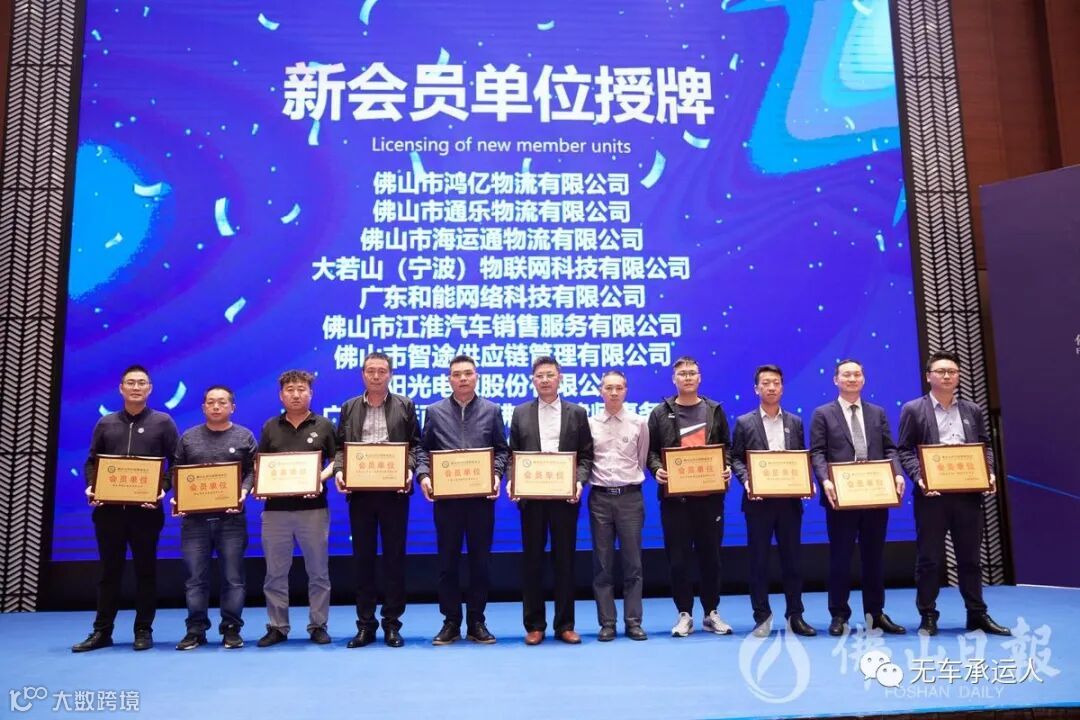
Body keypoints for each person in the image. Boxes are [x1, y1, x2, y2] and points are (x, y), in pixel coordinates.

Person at [897, 351, 1010, 636]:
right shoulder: (914, 409)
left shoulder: (972, 410)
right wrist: (920, 478)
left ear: (958, 376)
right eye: (941, 371)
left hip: (968, 496)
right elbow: (904, 450)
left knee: (970, 559)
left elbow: (984, 446)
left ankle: (977, 614)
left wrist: (989, 472)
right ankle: (928, 614)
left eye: (952, 371)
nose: (947, 376)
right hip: (931, 497)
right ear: (928, 376)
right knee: (929, 559)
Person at [72, 365, 178, 653]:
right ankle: (102, 631)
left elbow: (176, 462)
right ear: (121, 388)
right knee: (109, 571)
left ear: (150, 389)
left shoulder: (163, 422)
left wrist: (161, 488)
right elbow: (92, 461)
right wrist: (92, 486)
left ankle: (143, 630)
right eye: (130, 383)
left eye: (141, 383)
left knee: (146, 571)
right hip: (109, 511)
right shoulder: (106, 423)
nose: (136, 387)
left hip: (146, 511)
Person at [416, 355, 510, 645]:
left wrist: (496, 475)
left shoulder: (492, 410)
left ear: (476, 377)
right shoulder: (434, 411)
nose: (463, 378)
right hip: (447, 501)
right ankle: (451, 622)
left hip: (481, 500)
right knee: (448, 563)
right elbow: (423, 450)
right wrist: (424, 476)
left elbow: (502, 450)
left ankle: (477, 621)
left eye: (468, 373)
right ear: (449, 379)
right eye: (457, 374)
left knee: (480, 562)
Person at [810, 359, 906, 637]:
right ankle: (839, 615)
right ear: (835, 380)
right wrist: (825, 480)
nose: (852, 379)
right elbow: (817, 452)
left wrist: (897, 474)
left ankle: (875, 614)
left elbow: (890, 448)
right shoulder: (823, 413)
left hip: (875, 494)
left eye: (857, 374)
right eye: (846, 375)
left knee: (874, 558)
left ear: (863, 379)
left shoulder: (877, 412)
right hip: (841, 497)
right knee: (840, 558)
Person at [333, 352, 422, 648]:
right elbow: (340, 448)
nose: (375, 376)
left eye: (381, 371)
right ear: (362, 374)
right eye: (370, 370)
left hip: (394, 493)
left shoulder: (405, 405)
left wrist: (409, 470)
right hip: (360, 494)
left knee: (394, 560)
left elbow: (415, 446)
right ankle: (365, 625)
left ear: (390, 374)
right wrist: (341, 471)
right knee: (364, 560)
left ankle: (392, 624)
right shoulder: (349, 407)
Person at [647, 356, 734, 638]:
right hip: (676, 501)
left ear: (699, 377)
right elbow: (651, 452)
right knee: (678, 560)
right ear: (674, 379)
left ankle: (711, 613)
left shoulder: (714, 409)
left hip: (710, 499)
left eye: (692, 373)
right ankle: (684, 614)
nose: (687, 377)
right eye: (682, 373)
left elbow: (727, 447)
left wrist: (726, 467)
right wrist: (657, 469)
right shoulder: (660, 413)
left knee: (712, 558)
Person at [509, 357, 594, 645]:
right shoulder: (520, 413)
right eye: (539, 376)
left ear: (560, 378)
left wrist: (578, 482)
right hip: (531, 499)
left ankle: (565, 625)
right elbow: (513, 454)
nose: (545, 380)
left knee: (565, 561)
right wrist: (513, 481)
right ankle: (534, 625)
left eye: (550, 375)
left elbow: (586, 456)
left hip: (564, 499)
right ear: (532, 380)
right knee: (532, 561)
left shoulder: (577, 413)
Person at [730, 365, 816, 638]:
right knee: (759, 562)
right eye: (766, 383)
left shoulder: (795, 422)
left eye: (776, 382)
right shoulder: (745, 422)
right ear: (756, 388)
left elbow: (801, 457)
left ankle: (795, 615)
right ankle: (762, 616)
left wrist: (806, 480)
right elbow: (735, 459)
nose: (771, 387)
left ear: (782, 387)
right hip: (758, 503)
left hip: (789, 502)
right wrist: (747, 481)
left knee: (793, 561)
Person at [172, 385, 257, 650]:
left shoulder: (244, 436)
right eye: (211, 402)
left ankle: (231, 628)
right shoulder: (188, 437)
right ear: (203, 407)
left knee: (233, 578)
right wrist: (179, 496)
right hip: (194, 522)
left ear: (232, 407)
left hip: (232, 520)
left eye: (222, 402)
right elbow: (177, 471)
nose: (216, 406)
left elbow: (253, 471)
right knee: (195, 579)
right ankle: (195, 629)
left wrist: (243, 492)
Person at [255, 370, 336, 647]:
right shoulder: (270, 427)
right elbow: (261, 464)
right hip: (275, 511)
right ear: (281, 395)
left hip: (313, 509)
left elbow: (337, 460)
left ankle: (318, 625)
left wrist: (318, 478)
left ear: (310, 393)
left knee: (318, 572)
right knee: (275, 573)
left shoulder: (324, 425)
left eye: (301, 389)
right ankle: (278, 626)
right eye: (290, 390)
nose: (296, 394)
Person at [588, 370, 649, 642]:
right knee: (602, 564)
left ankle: (633, 622)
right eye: (608, 388)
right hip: (600, 498)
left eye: (619, 388)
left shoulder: (639, 423)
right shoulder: (590, 424)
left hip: (629, 497)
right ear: (600, 391)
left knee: (633, 563)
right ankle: (607, 623)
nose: (614, 393)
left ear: (626, 390)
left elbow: (641, 459)